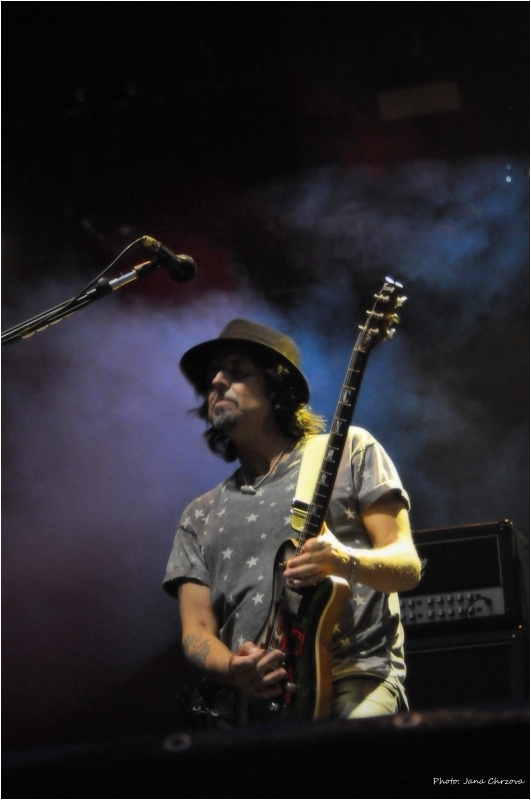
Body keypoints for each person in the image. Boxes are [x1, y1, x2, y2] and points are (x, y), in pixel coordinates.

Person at [163, 318, 421, 726]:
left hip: (352, 680)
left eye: (237, 371)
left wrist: (346, 561)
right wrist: (232, 668)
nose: (216, 381)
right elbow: (195, 630)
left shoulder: (349, 451)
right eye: (212, 375)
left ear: (276, 388)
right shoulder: (198, 515)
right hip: (256, 709)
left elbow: (407, 567)